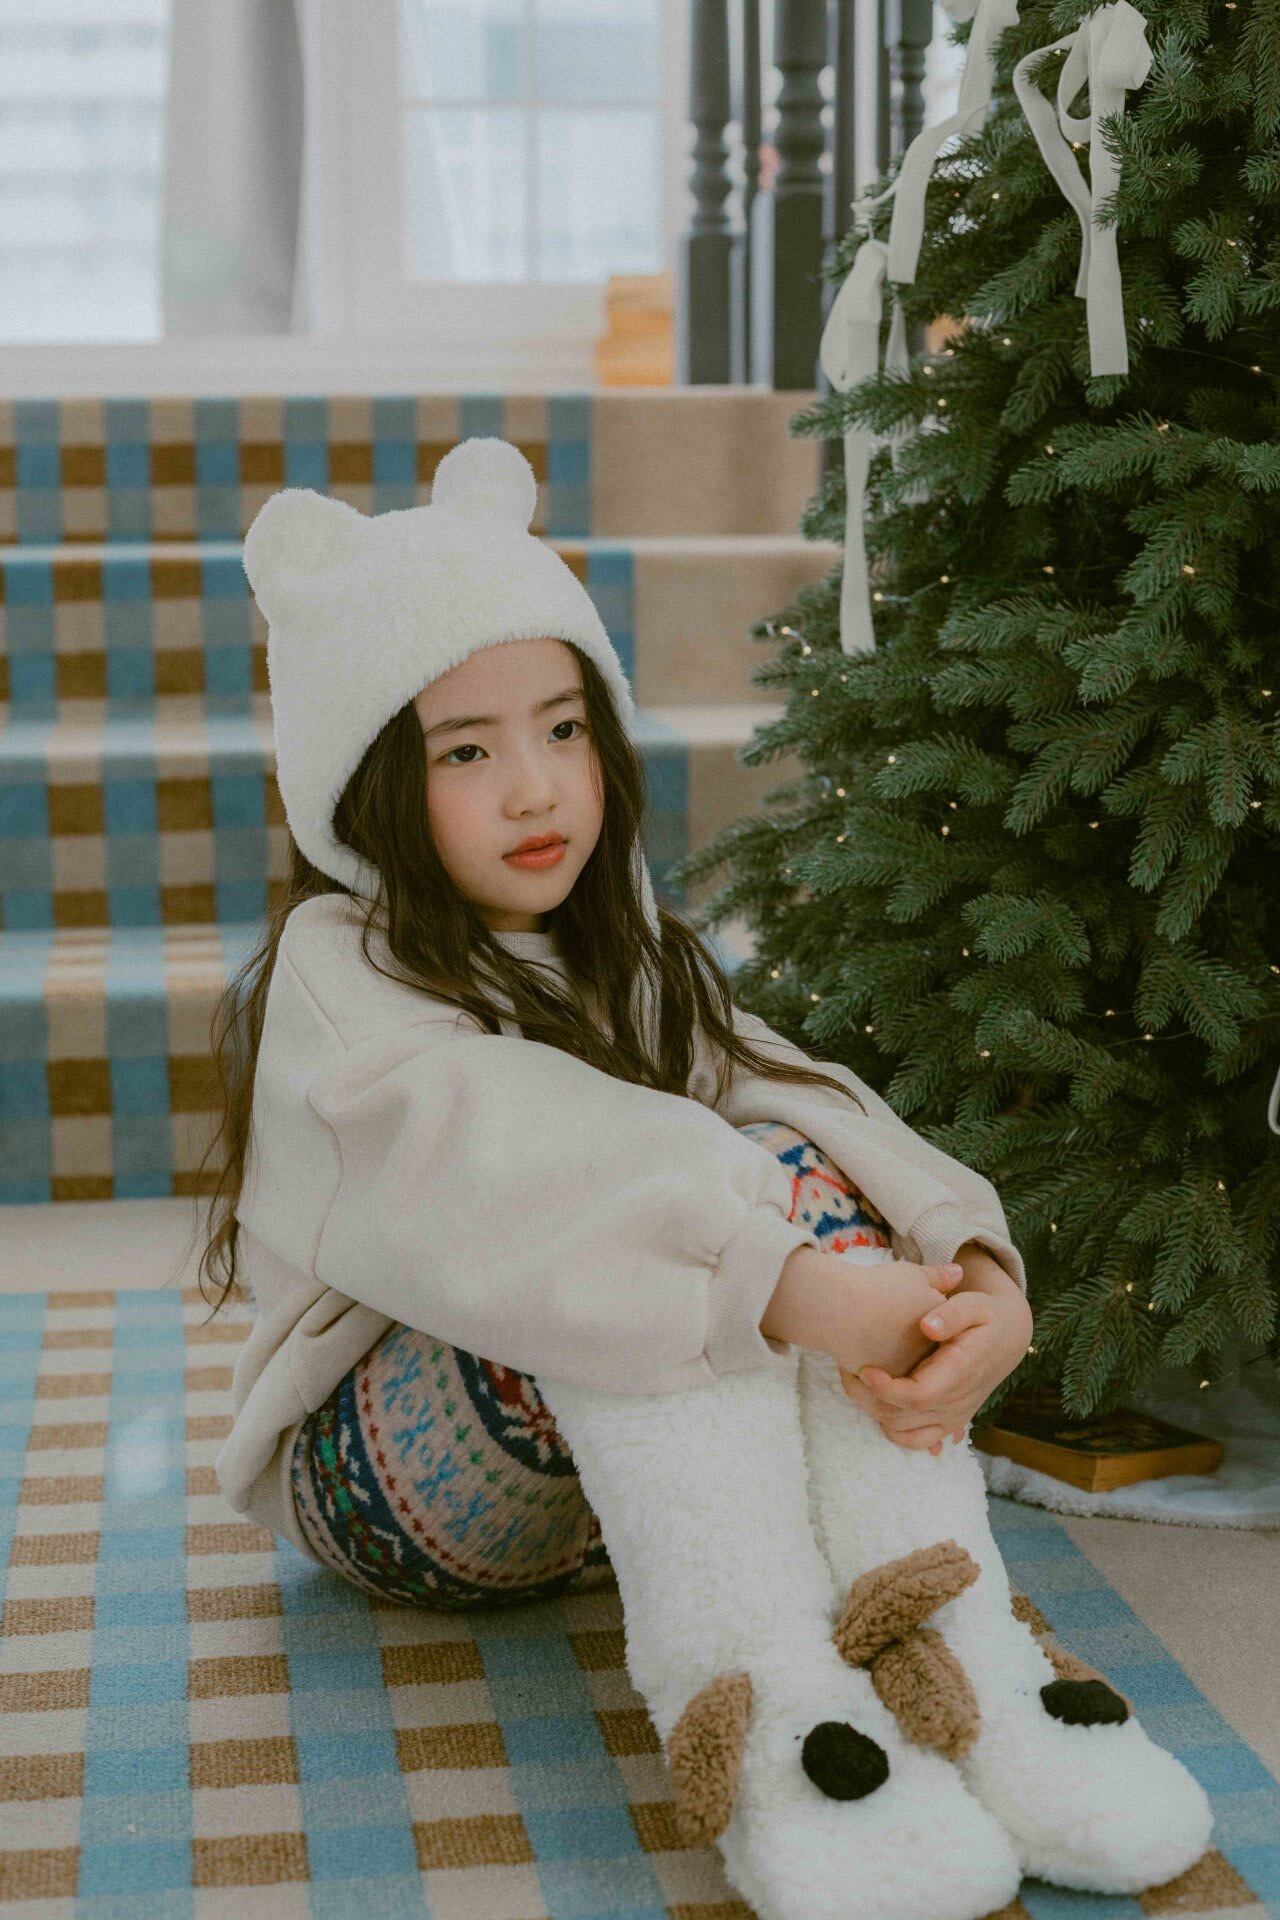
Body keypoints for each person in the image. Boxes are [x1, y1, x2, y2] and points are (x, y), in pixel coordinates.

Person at [198, 438, 1211, 1920]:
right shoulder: (336, 972)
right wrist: (781, 1282)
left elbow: (798, 1097)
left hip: (593, 1499)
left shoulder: (621, 945)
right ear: (363, 788)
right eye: (464, 751)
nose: (535, 788)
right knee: (645, 1240)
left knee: (772, 1166)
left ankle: (969, 1672)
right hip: (383, 1492)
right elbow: (515, 1164)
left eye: (563, 728)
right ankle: (788, 1731)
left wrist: (967, 1272)